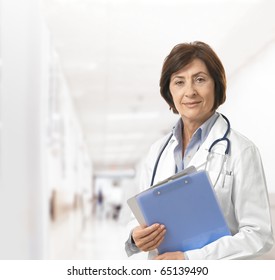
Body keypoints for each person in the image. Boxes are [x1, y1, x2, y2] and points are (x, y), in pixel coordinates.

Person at [125, 41, 274, 260]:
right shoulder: (157, 152)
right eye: (179, 82)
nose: (190, 92)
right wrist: (134, 236)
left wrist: (190, 260)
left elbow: (258, 236)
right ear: (169, 91)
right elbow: (138, 216)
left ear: (217, 85)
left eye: (200, 79)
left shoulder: (242, 150)